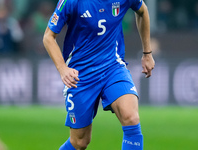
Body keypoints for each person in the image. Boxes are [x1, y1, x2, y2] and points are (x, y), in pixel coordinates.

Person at [43, 0, 155, 149]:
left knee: (131, 118)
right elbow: (48, 37)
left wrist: (147, 53)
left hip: (112, 67)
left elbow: (142, 11)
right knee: (79, 142)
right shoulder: (72, 2)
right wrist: (63, 69)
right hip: (81, 74)